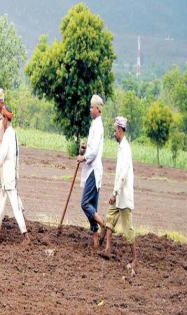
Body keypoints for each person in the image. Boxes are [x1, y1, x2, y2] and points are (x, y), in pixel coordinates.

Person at [0, 106, 30, 246]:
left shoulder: (8, 135)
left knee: (16, 208)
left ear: (6, 119)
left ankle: (25, 236)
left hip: (9, 177)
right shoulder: (13, 134)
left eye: (2, 119)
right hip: (9, 176)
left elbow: (1, 156)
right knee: (0, 206)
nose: (2, 122)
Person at [100, 117, 137, 273]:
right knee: (109, 218)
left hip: (124, 195)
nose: (114, 133)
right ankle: (108, 249)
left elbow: (122, 175)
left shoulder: (125, 149)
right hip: (118, 193)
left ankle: (134, 259)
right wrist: (115, 193)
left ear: (120, 131)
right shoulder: (121, 147)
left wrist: (114, 193)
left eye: (115, 130)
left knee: (128, 228)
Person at [76, 94, 106, 248]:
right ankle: (95, 240)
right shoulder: (94, 125)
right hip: (92, 169)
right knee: (92, 205)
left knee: (85, 204)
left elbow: (93, 152)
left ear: (98, 109)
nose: (90, 109)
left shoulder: (98, 126)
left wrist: (83, 157)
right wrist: (85, 147)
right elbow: (92, 147)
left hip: (93, 170)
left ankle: (103, 224)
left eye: (91, 107)